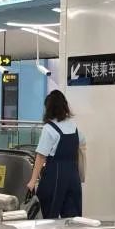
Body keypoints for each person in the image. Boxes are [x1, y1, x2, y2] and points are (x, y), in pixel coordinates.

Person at [26, 90, 85, 218]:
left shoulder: (49, 129)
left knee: (48, 217)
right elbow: (82, 144)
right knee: (72, 219)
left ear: (49, 108)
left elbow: (41, 156)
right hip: (73, 177)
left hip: (55, 176)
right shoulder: (73, 126)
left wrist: (32, 181)